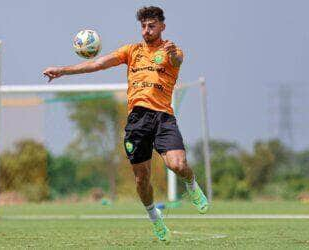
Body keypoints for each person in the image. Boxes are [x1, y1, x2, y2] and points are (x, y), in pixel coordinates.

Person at [43, 5, 208, 242]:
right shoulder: (131, 51)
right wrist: (62, 70)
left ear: (162, 26)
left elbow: (178, 59)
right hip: (137, 121)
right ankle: (155, 218)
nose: (146, 31)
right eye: (143, 26)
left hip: (163, 117)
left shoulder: (172, 50)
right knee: (142, 179)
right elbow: (97, 64)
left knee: (178, 164)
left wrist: (172, 54)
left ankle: (192, 186)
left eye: (151, 26)